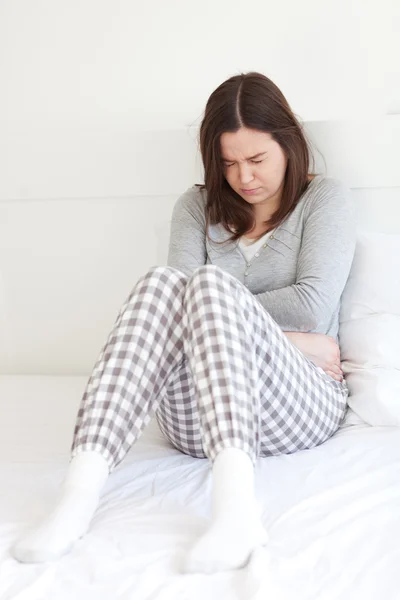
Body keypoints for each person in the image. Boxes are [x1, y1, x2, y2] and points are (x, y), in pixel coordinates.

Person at [10, 71, 356, 574]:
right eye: (229, 163)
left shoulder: (324, 200)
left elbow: (311, 303)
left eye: (257, 159)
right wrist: (299, 341)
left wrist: (233, 312)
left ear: (289, 143)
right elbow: (181, 302)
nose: (244, 178)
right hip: (196, 418)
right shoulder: (196, 207)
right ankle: (77, 496)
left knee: (206, 286)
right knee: (162, 283)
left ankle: (236, 509)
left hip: (298, 406)